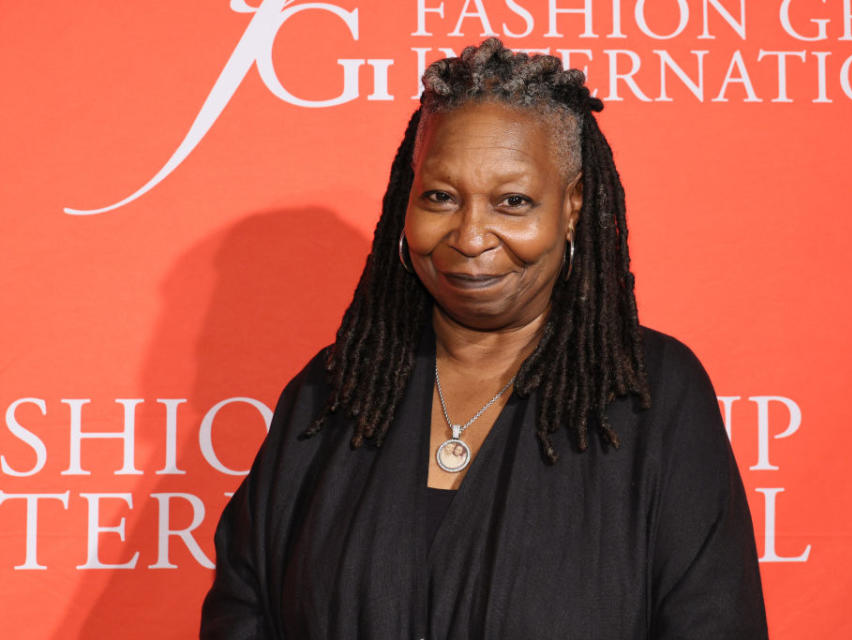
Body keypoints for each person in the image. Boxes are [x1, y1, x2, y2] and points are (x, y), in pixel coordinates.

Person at [200, 38, 768, 639]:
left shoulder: (652, 395)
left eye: (513, 201)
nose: (470, 236)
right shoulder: (335, 391)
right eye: (440, 197)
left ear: (572, 207)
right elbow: (244, 607)